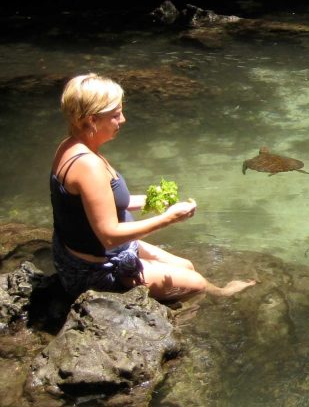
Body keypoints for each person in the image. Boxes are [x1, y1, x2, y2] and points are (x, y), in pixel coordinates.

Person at [50, 73, 256, 300]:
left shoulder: (72, 145)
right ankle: (220, 295)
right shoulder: (88, 166)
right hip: (96, 270)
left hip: (98, 252)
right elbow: (109, 236)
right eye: (116, 115)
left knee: (186, 265)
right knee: (196, 284)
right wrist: (169, 218)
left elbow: (106, 203)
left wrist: (154, 202)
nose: (123, 120)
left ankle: (204, 294)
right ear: (91, 120)